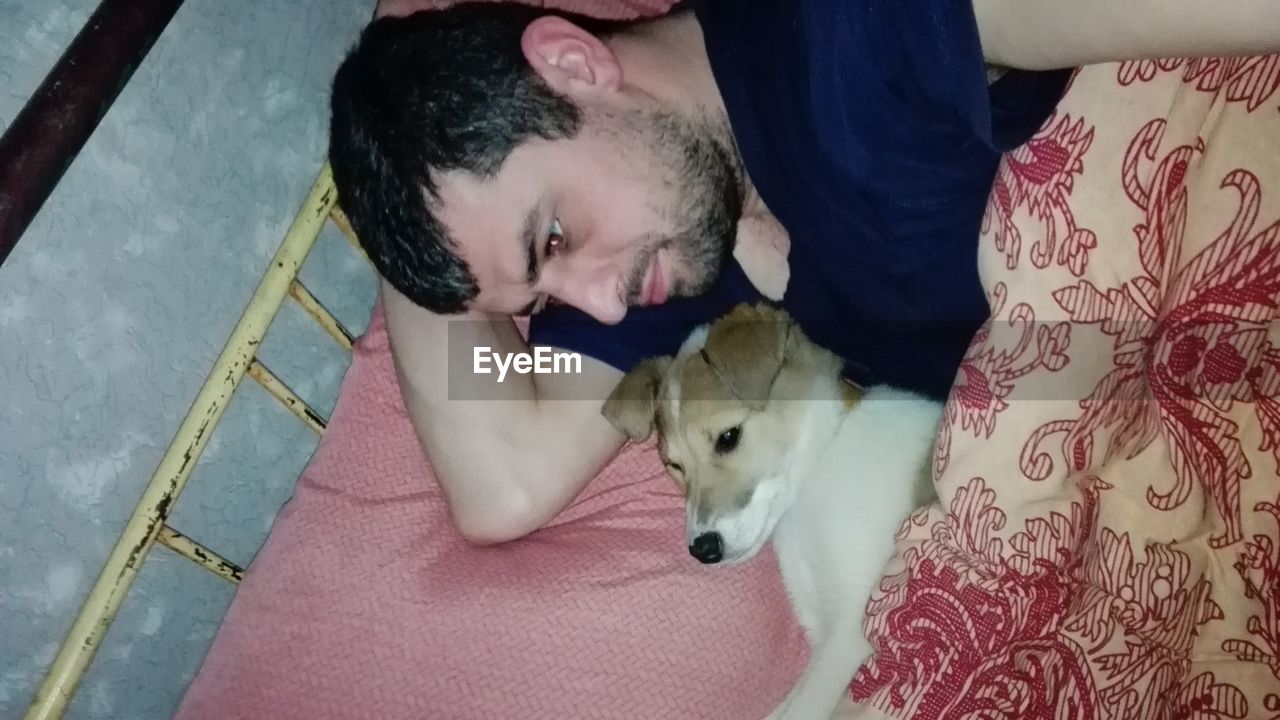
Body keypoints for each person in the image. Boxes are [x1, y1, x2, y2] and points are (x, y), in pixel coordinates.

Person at [328, 0, 1279, 545]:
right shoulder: (676, 255)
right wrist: (413, 218)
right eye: (539, 301)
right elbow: (501, 478)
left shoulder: (842, 24)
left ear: (573, 60)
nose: (598, 300)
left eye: (551, 241)